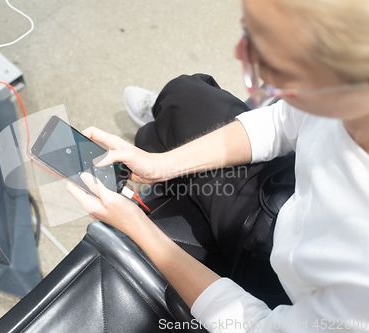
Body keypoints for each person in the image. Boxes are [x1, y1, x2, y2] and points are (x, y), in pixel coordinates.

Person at [67, 0, 369, 332]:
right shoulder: (338, 95)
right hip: (289, 196)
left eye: (263, 43)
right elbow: (285, 122)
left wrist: (139, 228)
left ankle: (160, 146)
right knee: (184, 94)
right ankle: (159, 145)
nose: (240, 52)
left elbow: (255, 327)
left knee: (168, 133)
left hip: (282, 287)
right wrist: (161, 165)